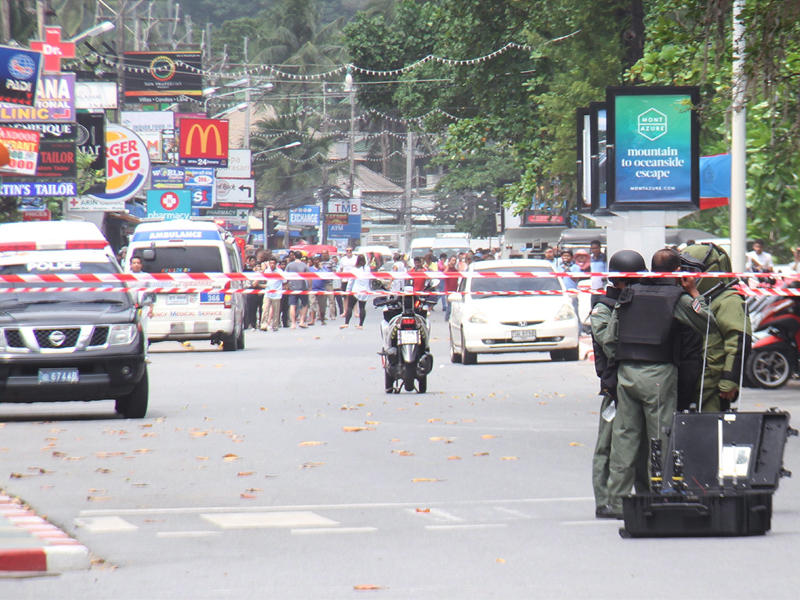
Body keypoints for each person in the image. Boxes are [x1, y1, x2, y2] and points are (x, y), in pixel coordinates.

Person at [599, 248, 720, 517]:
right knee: (661, 438)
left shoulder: (630, 292)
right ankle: (661, 496)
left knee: (624, 439)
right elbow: (708, 323)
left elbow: (610, 338)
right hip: (659, 374)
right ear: (677, 271)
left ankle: (617, 501)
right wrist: (694, 293)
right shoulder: (675, 298)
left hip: (626, 372)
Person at [590, 250, 649, 519]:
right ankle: (605, 499)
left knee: (642, 445)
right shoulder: (604, 309)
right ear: (620, 282)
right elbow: (610, 345)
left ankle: (644, 496)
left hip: (637, 382)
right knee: (608, 445)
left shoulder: (638, 301)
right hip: (615, 387)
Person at [683, 243, 752, 411]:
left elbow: (739, 341)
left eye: (692, 271)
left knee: (710, 432)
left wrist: (730, 379)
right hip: (690, 381)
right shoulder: (691, 298)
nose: (686, 277)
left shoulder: (729, 301)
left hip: (712, 386)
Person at [341, 255, 370, 329]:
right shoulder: (367, 269)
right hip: (365, 290)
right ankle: (361, 325)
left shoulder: (354, 269)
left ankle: (346, 323)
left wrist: (348, 290)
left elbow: (351, 281)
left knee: (350, 306)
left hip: (356, 290)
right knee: (362, 307)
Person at [284, 251, 309, 328]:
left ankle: (293, 323)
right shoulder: (304, 265)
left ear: (294, 256)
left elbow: (285, 276)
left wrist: (286, 284)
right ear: (301, 257)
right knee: (304, 304)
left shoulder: (289, 265)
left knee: (292, 305)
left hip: (292, 287)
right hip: (302, 287)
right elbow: (309, 277)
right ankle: (301, 321)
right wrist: (310, 287)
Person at [260, 257, 283, 332]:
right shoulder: (267, 271)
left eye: (273, 263)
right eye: (271, 263)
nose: (272, 265)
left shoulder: (280, 272)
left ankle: (275, 325)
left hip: (277, 294)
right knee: (265, 309)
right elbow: (263, 279)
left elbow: (285, 281)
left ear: (276, 264)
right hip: (268, 293)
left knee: (276, 311)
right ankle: (264, 324)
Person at [307, 256, 328, 326]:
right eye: (315, 260)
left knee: (322, 307)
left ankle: (322, 319)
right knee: (312, 304)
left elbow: (328, 276)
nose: (317, 262)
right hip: (312, 289)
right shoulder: (310, 269)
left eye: (318, 260)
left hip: (322, 289)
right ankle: (312, 320)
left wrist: (321, 268)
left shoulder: (323, 269)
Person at [443, 255, 459, 321]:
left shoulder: (455, 270)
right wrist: (448, 266)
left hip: (455, 290)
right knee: (450, 306)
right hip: (448, 291)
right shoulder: (447, 269)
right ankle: (447, 318)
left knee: (454, 306)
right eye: (452, 260)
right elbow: (444, 274)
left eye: (455, 260)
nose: (454, 262)